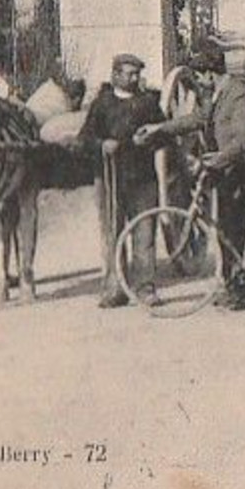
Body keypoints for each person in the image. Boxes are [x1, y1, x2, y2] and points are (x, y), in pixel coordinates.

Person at [136, 42, 245, 310]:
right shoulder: (216, 94)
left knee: (237, 230)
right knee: (224, 230)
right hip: (224, 169)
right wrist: (159, 128)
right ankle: (232, 285)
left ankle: (244, 292)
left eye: (199, 74)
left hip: (243, 169)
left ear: (211, 72)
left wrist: (218, 158)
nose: (196, 80)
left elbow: (242, 140)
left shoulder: (240, 94)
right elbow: (195, 120)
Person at [77, 54, 166, 308]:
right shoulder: (101, 104)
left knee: (145, 234)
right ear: (115, 75)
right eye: (129, 73)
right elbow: (85, 139)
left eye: (137, 73)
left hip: (143, 179)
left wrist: (149, 139)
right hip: (109, 178)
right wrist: (102, 144)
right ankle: (115, 288)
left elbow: (165, 135)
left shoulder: (148, 104)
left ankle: (146, 289)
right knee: (112, 234)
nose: (134, 78)